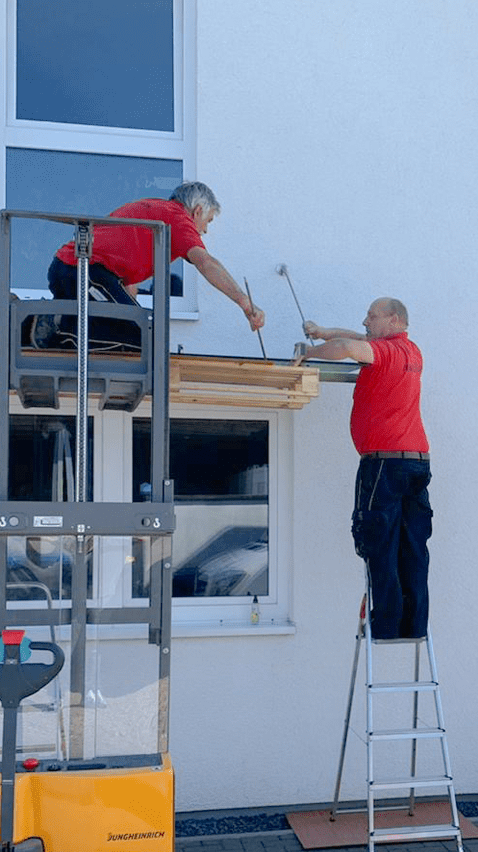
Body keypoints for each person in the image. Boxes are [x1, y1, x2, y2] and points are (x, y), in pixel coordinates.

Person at [300, 300, 430, 639]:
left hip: (384, 465)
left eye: (372, 316)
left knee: (378, 542)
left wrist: (309, 351)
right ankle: (413, 625)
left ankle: (385, 626)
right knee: (412, 547)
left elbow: (346, 347)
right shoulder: (410, 351)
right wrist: (326, 331)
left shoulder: (383, 353)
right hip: (415, 463)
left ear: (393, 319)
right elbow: (354, 338)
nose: (365, 320)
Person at [42, 182, 264, 349]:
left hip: (78, 269)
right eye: (208, 221)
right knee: (137, 335)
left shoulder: (154, 212)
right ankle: (49, 324)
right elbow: (206, 263)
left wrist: (131, 308)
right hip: (82, 269)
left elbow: (124, 282)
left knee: (135, 334)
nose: (204, 230)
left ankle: (53, 332)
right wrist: (245, 303)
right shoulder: (177, 219)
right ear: (197, 211)